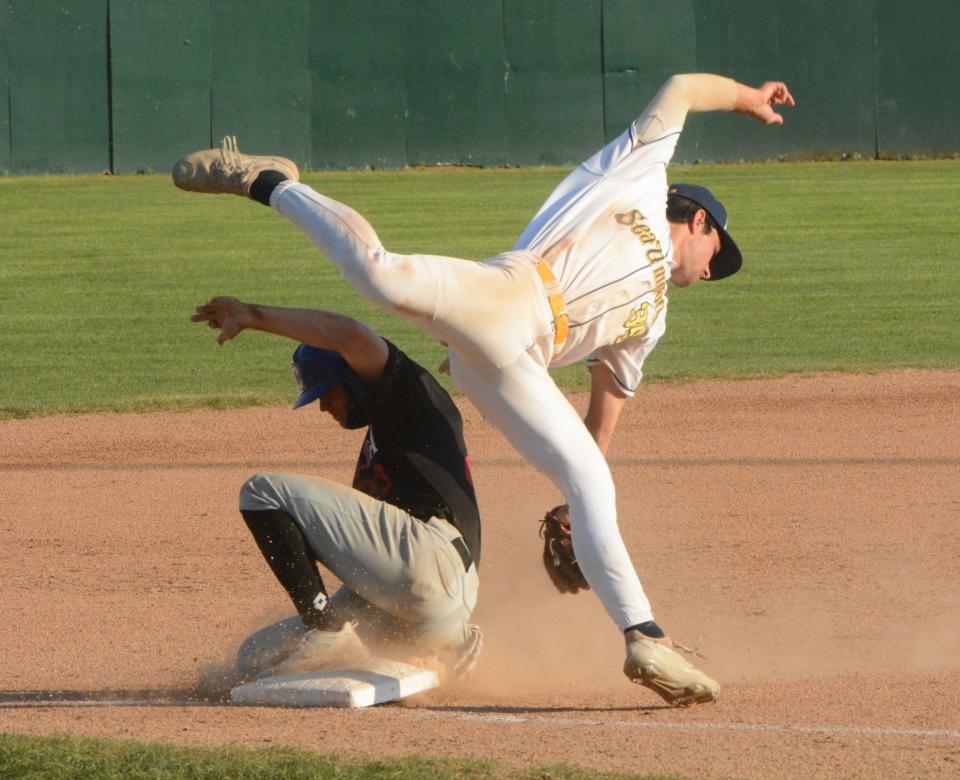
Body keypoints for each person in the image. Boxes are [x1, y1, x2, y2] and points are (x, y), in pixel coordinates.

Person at [174, 72, 794, 706]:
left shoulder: (653, 321)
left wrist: (572, 507)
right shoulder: (638, 174)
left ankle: (645, 639)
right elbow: (683, 88)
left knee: (593, 482)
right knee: (380, 277)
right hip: (511, 296)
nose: (715, 270)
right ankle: (268, 182)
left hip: (517, 366)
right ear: (695, 221)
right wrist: (749, 100)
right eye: (718, 250)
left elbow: (604, 415)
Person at [190, 299, 482, 680]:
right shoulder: (386, 438)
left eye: (328, 391)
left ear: (356, 378)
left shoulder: (410, 397)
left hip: (432, 562)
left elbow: (352, 335)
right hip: (418, 599)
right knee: (257, 660)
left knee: (262, 492)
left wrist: (252, 316)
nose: (323, 405)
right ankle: (444, 646)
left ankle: (325, 628)